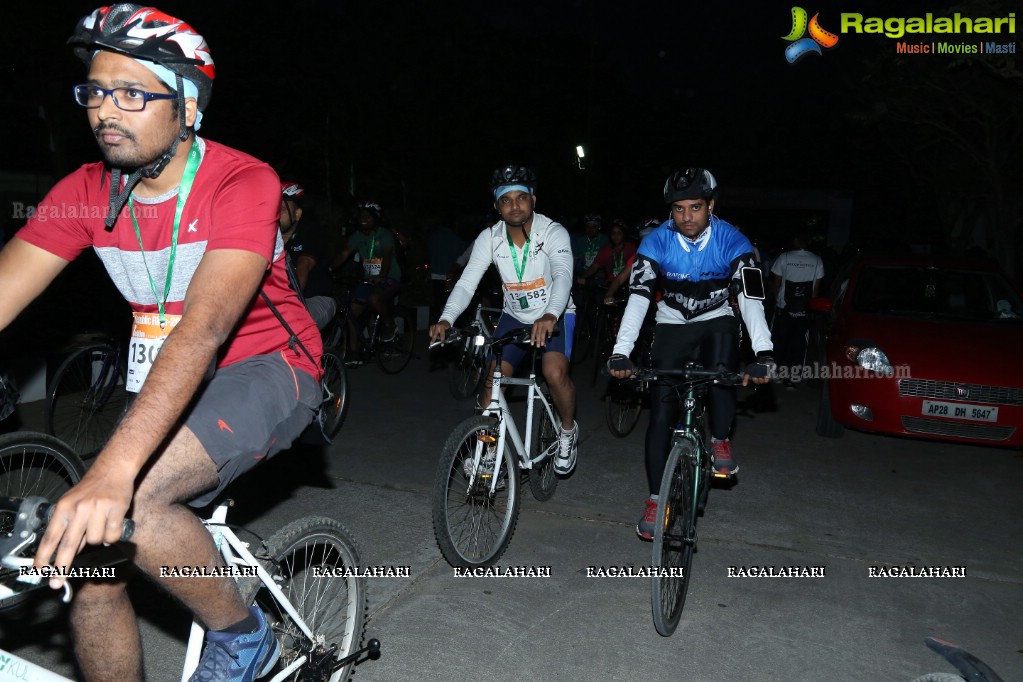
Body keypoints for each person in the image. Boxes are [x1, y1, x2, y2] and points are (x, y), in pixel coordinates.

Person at [1, 6, 322, 681]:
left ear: (187, 108)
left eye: (132, 94)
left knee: (135, 504)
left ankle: (243, 634)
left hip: (266, 365)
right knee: (92, 559)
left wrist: (114, 475)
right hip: (169, 371)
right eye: (93, 91)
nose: (103, 112)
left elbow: (204, 329)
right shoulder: (84, 192)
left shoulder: (243, 181)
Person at [607, 168, 774, 540]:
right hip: (672, 323)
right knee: (662, 411)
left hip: (717, 319)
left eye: (695, 207)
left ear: (711, 206)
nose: (686, 217)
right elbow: (638, 297)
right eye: (679, 209)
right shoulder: (656, 243)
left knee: (719, 370)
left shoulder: (734, 241)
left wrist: (763, 351)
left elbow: (749, 298)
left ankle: (719, 439)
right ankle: (655, 498)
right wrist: (621, 352)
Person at [429, 164, 579, 475]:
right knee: (491, 380)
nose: (515, 206)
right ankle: (489, 449)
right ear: (497, 206)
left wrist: (551, 313)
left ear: (533, 201)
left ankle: (567, 432)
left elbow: (564, 276)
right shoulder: (490, 238)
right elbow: (467, 283)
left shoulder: (552, 232)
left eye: (521, 198)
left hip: (557, 313)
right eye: (506, 200)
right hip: (515, 316)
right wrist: (446, 319)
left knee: (554, 373)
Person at [332, 201, 401, 364]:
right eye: (361, 215)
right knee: (351, 311)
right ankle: (354, 353)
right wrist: (329, 268)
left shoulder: (384, 234)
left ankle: (389, 325)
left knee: (374, 299)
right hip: (368, 280)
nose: (363, 218)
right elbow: (344, 253)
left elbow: (387, 255)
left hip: (389, 277)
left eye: (367, 216)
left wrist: (382, 276)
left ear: (376, 218)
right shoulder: (357, 236)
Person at [279, 181, 337, 330]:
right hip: (278, 301)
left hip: (315, 297)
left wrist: (289, 300)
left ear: (297, 214)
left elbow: (303, 266)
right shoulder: (269, 236)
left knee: (292, 324)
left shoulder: (310, 232)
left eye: (283, 210)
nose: (276, 214)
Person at [770, 233, 824, 388]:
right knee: (799, 344)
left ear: (795, 240)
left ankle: (779, 374)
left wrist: (777, 300)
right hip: (804, 310)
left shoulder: (784, 257)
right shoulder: (817, 261)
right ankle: (792, 380)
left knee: (780, 342)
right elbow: (815, 290)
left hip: (784, 308)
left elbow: (776, 284)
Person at [575, 219, 637, 289]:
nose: (616, 236)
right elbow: (594, 267)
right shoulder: (605, 250)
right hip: (609, 285)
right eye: (613, 233)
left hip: (628, 285)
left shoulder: (631, 247)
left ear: (623, 234)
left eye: (619, 233)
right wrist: (581, 277)